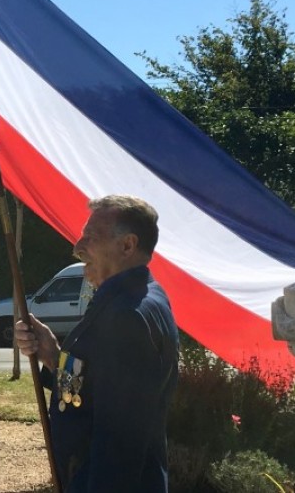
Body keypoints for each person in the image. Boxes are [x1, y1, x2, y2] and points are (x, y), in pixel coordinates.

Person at [14, 195, 179, 493]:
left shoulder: (126, 314)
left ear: (127, 245)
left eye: (90, 237)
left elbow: (118, 442)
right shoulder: (138, 295)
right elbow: (98, 385)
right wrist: (52, 356)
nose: (77, 247)